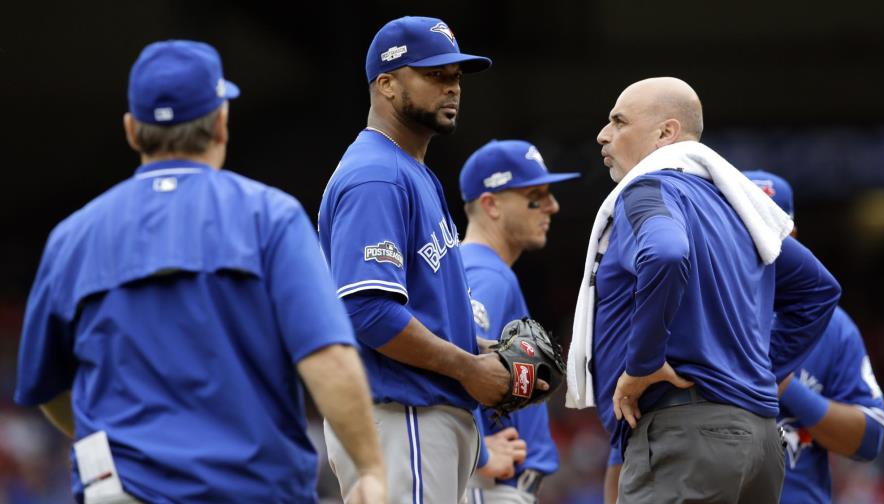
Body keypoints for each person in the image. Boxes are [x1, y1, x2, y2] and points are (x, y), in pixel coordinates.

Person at [14, 40, 384, 504]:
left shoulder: (72, 237)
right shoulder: (268, 217)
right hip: (250, 491)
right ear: (221, 124)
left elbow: (47, 385)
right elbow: (326, 356)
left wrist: (107, 439)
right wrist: (370, 469)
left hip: (124, 492)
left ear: (132, 130)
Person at [565, 77, 842, 503]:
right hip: (760, 440)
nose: (603, 134)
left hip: (685, 436)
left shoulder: (647, 188)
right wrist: (755, 373)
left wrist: (642, 364)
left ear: (666, 133)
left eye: (618, 121)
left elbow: (666, 254)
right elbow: (819, 288)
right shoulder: (737, 206)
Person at [317, 17, 512, 504]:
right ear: (385, 84)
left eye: (455, 77)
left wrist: (480, 347)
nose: (451, 87)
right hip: (402, 410)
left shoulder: (411, 171)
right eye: (433, 74)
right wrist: (468, 367)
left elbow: (414, 305)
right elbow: (369, 312)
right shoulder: (376, 177)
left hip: (420, 414)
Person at [743, 170, 884, 504]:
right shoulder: (690, 315)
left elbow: (869, 439)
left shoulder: (831, 324)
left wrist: (783, 384)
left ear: (792, 236)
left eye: (769, 231)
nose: (755, 245)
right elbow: (626, 451)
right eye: (743, 230)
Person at [459, 140, 579, 503]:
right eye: (535, 195)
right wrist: (478, 450)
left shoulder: (471, 267)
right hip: (492, 487)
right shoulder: (487, 272)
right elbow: (457, 356)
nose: (552, 206)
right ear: (491, 204)